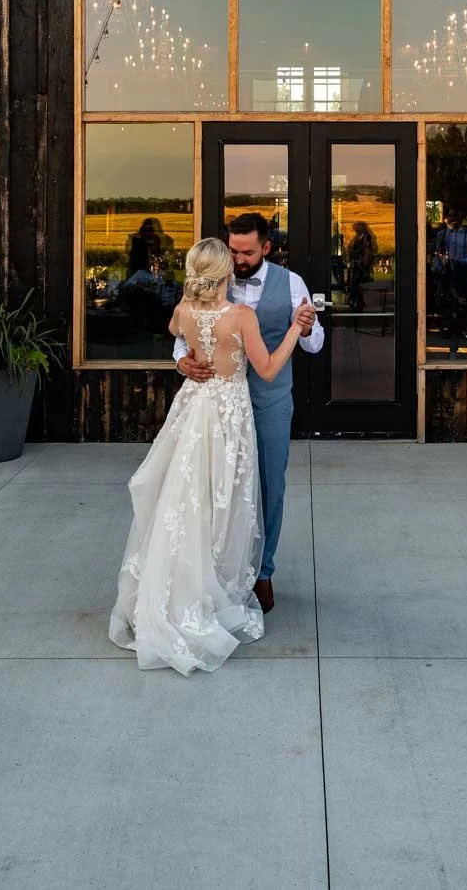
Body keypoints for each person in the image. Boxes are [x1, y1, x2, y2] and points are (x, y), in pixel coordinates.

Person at [109, 237, 307, 676]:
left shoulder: (183, 311)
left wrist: (188, 350)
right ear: (227, 273)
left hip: (194, 408)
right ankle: (213, 587)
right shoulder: (240, 316)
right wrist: (295, 327)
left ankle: (180, 585)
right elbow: (270, 369)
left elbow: (175, 333)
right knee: (225, 498)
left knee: (185, 496)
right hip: (229, 416)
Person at [172, 212, 323, 617]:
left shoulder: (291, 283)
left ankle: (263, 570)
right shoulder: (209, 278)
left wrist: (304, 328)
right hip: (218, 399)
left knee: (270, 483)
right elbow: (183, 337)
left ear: (266, 248)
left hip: (271, 400)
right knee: (217, 485)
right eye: (233, 250)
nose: (238, 259)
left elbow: (316, 343)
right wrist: (181, 363)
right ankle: (220, 570)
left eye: (247, 252)